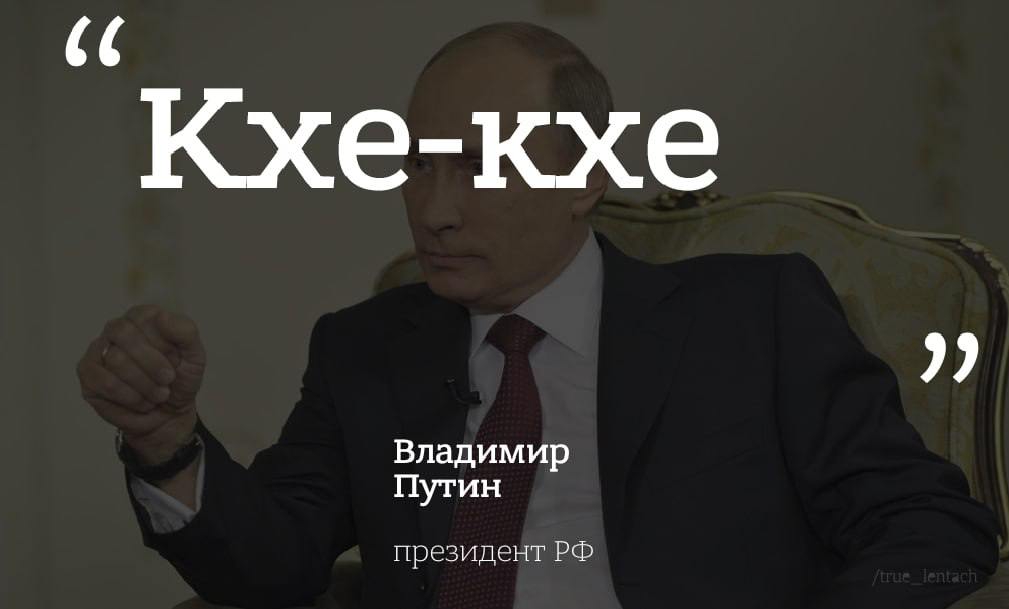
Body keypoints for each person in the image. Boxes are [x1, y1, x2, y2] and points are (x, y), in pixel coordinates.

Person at [76, 21, 999, 609]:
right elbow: (270, 568)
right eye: (417, 164)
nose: (433, 210)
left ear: (583, 177)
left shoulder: (753, 316)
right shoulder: (364, 346)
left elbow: (931, 528)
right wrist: (167, 442)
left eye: (478, 166)